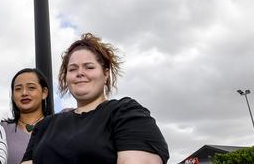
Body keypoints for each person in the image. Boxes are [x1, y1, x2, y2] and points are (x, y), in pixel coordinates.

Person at [22, 33, 170, 164]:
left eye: (89, 67)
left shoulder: (126, 113)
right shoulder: (44, 126)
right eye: (73, 69)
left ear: (105, 74)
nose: (80, 73)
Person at [1, 68, 52, 164]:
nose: (24, 93)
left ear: (44, 93)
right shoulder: (1, 130)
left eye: (31, 88)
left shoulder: (58, 126)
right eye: (18, 89)